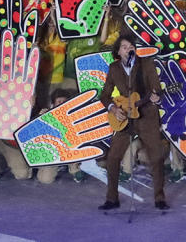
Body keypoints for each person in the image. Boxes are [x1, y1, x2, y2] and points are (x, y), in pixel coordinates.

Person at [98, 34, 169, 211]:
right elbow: (105, 95)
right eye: (124, 47)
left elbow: (157, 90)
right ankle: (112, 198)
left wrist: (155, 97)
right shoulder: (114, 68)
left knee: (157, 156)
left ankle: (159, 198)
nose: (128, 49)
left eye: (131, 46)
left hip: (146, 114)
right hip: (124, 117)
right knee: (113, 157)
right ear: (118, 52)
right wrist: (114, 109)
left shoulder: (146, 64)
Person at [36, 88, 87, 184]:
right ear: (53, 104)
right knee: (45, 180)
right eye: (59, 102)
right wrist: (39, 119)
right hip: (52, 151)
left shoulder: (73, 114)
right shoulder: (46, 114)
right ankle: (52, 167)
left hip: (70, 149)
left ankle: (75, 169)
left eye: (64, 101)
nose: (62, 103)